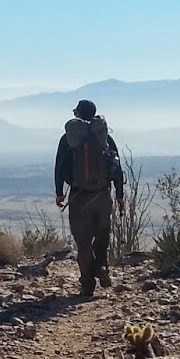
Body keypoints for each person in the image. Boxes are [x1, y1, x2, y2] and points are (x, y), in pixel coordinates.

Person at [54, 99, 125, 298]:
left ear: (77, 114)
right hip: (102, 195)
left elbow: (60, 166)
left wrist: (59, 192)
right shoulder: (104, 137)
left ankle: (87, 285)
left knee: (83, 243)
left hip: (79, 196)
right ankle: (101, 267)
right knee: (102, 237)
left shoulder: (68, 138)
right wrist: (120, 195)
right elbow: (116, 167)